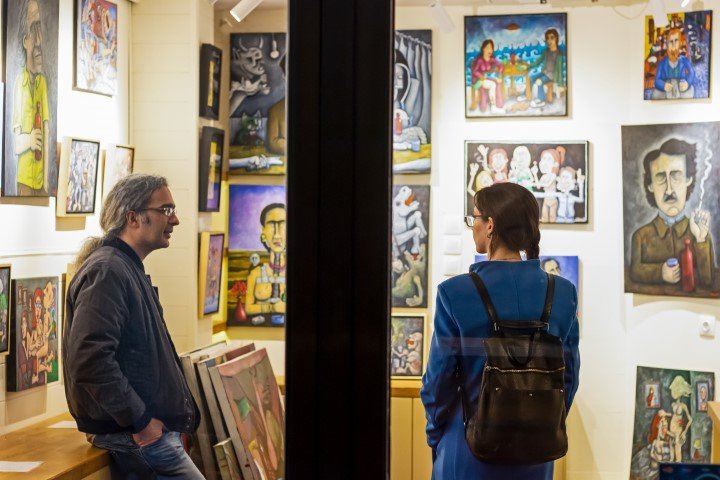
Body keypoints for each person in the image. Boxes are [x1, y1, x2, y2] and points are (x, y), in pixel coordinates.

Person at [421, 182, 580, 479]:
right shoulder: (562, 293)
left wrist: (436, 434)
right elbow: (568, 379)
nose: (473, 226)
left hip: (467, 449)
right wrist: (537, 424)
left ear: (490, 225)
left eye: (474, 218)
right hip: (536, 455)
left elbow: (438, 384)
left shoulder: (454, 293)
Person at [63, 174, 203, 478]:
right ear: (133, 218)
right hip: (138, 437)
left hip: (145, 435)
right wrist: (140, 421)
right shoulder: (108, 271)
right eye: (166, 210)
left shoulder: (122, 268)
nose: (175, 219)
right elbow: (90, 359)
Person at [629, 138, 714, 288]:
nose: (669, 190)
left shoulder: (701, 234)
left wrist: (700, 240)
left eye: (676, 176)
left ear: (688, 179)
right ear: (650, 186)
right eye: (660, 178)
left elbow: (708, 282)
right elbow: (634, 272)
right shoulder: (640, 237)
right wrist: (660, 272)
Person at [12, 0, 51, 196]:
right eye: (34, 29)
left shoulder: (42, 83)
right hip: (25, 181)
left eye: (40, 28)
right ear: (25, 40)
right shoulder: (20, 84)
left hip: (40, 183)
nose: (39, 41)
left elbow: (46, 131)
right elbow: (15, 144)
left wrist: (46, 181)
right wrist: (29, 140)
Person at [245, 203, 287, 317]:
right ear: (263, 231)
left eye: (282, 225)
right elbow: (248, 308)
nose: (277, 235)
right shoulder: (255, 273)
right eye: (271, 225)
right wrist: (272, 308)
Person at [652, 28, 696, 99]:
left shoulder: (683, 60)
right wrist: (663, 85)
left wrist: (687, 83)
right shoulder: (662, 63)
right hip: (666, 91)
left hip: (681, 89)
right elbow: (657, 80)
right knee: (655, 94)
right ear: (667, 45)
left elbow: (692, 72)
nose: (673, 44)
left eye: (676, 41)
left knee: (691, 90)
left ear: (680, 43)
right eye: (671, 41)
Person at [528, 28, 566, 108]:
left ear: (556, 39)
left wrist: (561, 84)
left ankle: (541, 100)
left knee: (539, 81)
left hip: (552, 75)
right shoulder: (546, 51)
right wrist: (529, 66)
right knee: (531, 77)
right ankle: (527, 94)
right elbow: (538, 61)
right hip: (544, 72)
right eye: (547, 38)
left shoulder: (559, 54)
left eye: (552, 38)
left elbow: (560, 70)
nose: (549, 40)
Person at [470, 39, 505, 114]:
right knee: (493, 84)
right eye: (488, 48)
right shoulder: (479, 60)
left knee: (497, 83)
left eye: (491, 48)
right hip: (480, 80)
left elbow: (501, 66)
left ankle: (498, 105)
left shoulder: (492, 60)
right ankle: (493, 107)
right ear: (483, 49)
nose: (490, 50)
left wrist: (499, 75)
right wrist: (480, 76)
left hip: (488, 79)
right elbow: (474, 71)